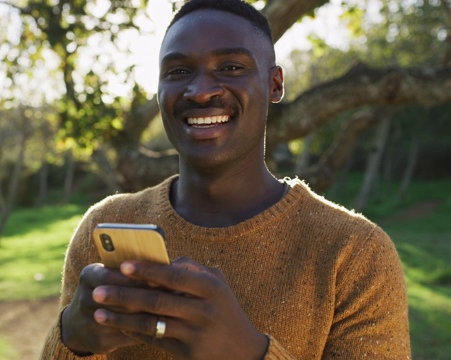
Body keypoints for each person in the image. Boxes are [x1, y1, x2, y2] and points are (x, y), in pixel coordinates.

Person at [39, 0, 411, 359]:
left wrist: (245, 353)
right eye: (178, 71)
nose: (200, 91)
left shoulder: (356, 254)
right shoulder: (105, 228)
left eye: (231, 67)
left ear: (275, 84)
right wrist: (73, 340)